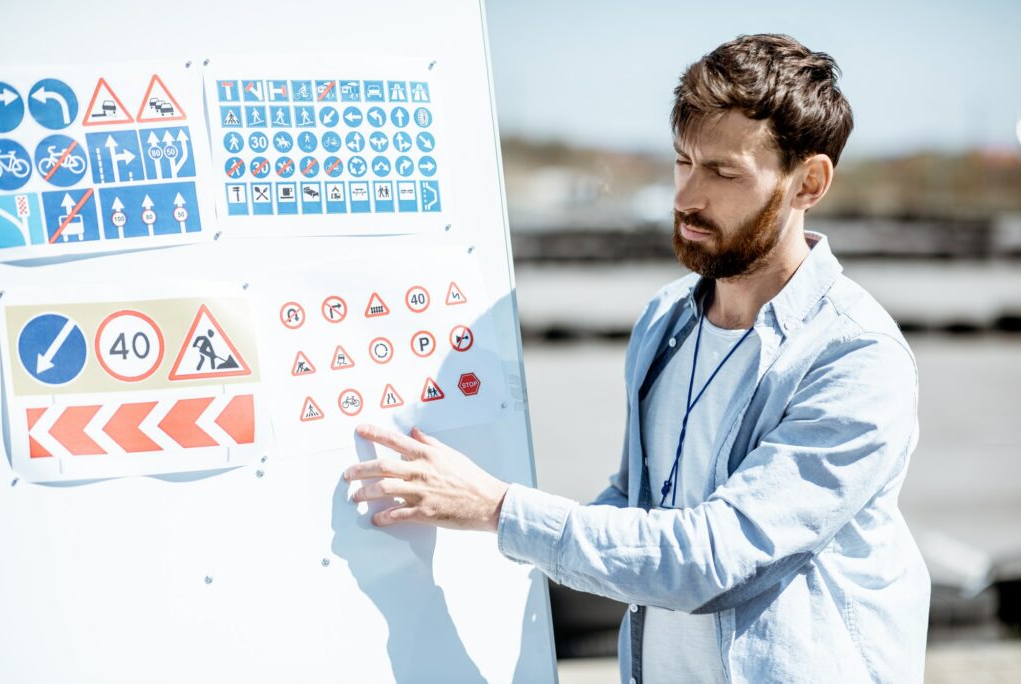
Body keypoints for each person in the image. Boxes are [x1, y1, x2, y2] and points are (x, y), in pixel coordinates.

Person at [345, 34, 929, 683]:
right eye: (683, 161)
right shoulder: (666, 318)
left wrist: (498, 509)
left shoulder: (855, 358)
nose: (685, 197)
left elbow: (714, 558)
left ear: (809, 183)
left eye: (723, 173)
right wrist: (466, 548)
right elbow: (637, 504)